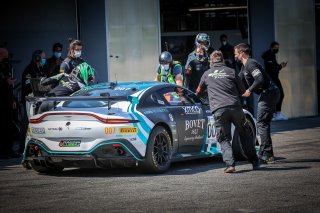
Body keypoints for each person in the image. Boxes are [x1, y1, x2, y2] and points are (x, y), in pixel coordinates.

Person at [197, 50, 260, 173]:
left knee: (224, 138)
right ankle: (255, 162)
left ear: (211, 61)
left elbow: (198, 91)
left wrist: (207, 92)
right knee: (245, 135)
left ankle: (230, 165)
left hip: (219, 109)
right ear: (223, 60)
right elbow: (242, 90)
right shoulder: (231, 71)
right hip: (236, 108)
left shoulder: (206, 74)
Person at [234, 43, 280, 164]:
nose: (235, 56)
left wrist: (249, 90)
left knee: (261, 123)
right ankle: (266, 153)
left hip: (269, 93)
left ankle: (267, 154)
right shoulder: (244, 67)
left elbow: (260, 79)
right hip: (267, 94)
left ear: (242, 53)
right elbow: (238, 80)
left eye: (236, 54)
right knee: (263, 123)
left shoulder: (251, 63)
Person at [261, 41, 288, 121]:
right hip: (272, 78)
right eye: (275, 48)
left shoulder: (272, 56)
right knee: (280, 94)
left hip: (274, 78)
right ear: (272, 47)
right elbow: (271, 69)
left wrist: (280, 66)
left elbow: (274, 67)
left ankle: (275, 114)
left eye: (278, 48)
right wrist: (280, 66)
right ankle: (276, 114)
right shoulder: (269, 56)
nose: (277, 49)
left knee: (276, 95)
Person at [0, 47, 19, 158]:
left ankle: (8, 150)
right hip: (1, 101)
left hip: (7, 100)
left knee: (9, 126)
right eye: (4, 55)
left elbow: (10, 85)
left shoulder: (7, 66)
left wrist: (13, 99)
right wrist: (4, 81)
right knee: (2, 126)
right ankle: (2, 151)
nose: (6, 58)